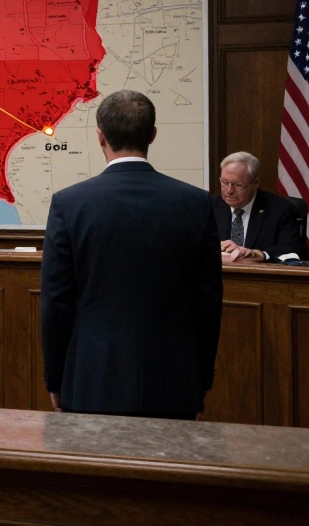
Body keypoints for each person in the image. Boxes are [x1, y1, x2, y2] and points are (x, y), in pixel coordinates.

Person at [40, 90, 222, 419]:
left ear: (100, 137)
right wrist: (202, 376)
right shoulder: (196, 204)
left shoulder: (70, 204)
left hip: (92, 377)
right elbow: (208, 302)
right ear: (152, 134)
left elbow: (56, 301)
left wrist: (55, 378)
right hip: (175, 376)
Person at [213, 151, 306, 262]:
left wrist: (261, 255)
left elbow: (292, 249)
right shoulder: (209, 206)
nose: (229, 190)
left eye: (238, 185)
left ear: (256, 182)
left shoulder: (279, 209)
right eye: (224, 182)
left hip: (261, 276)